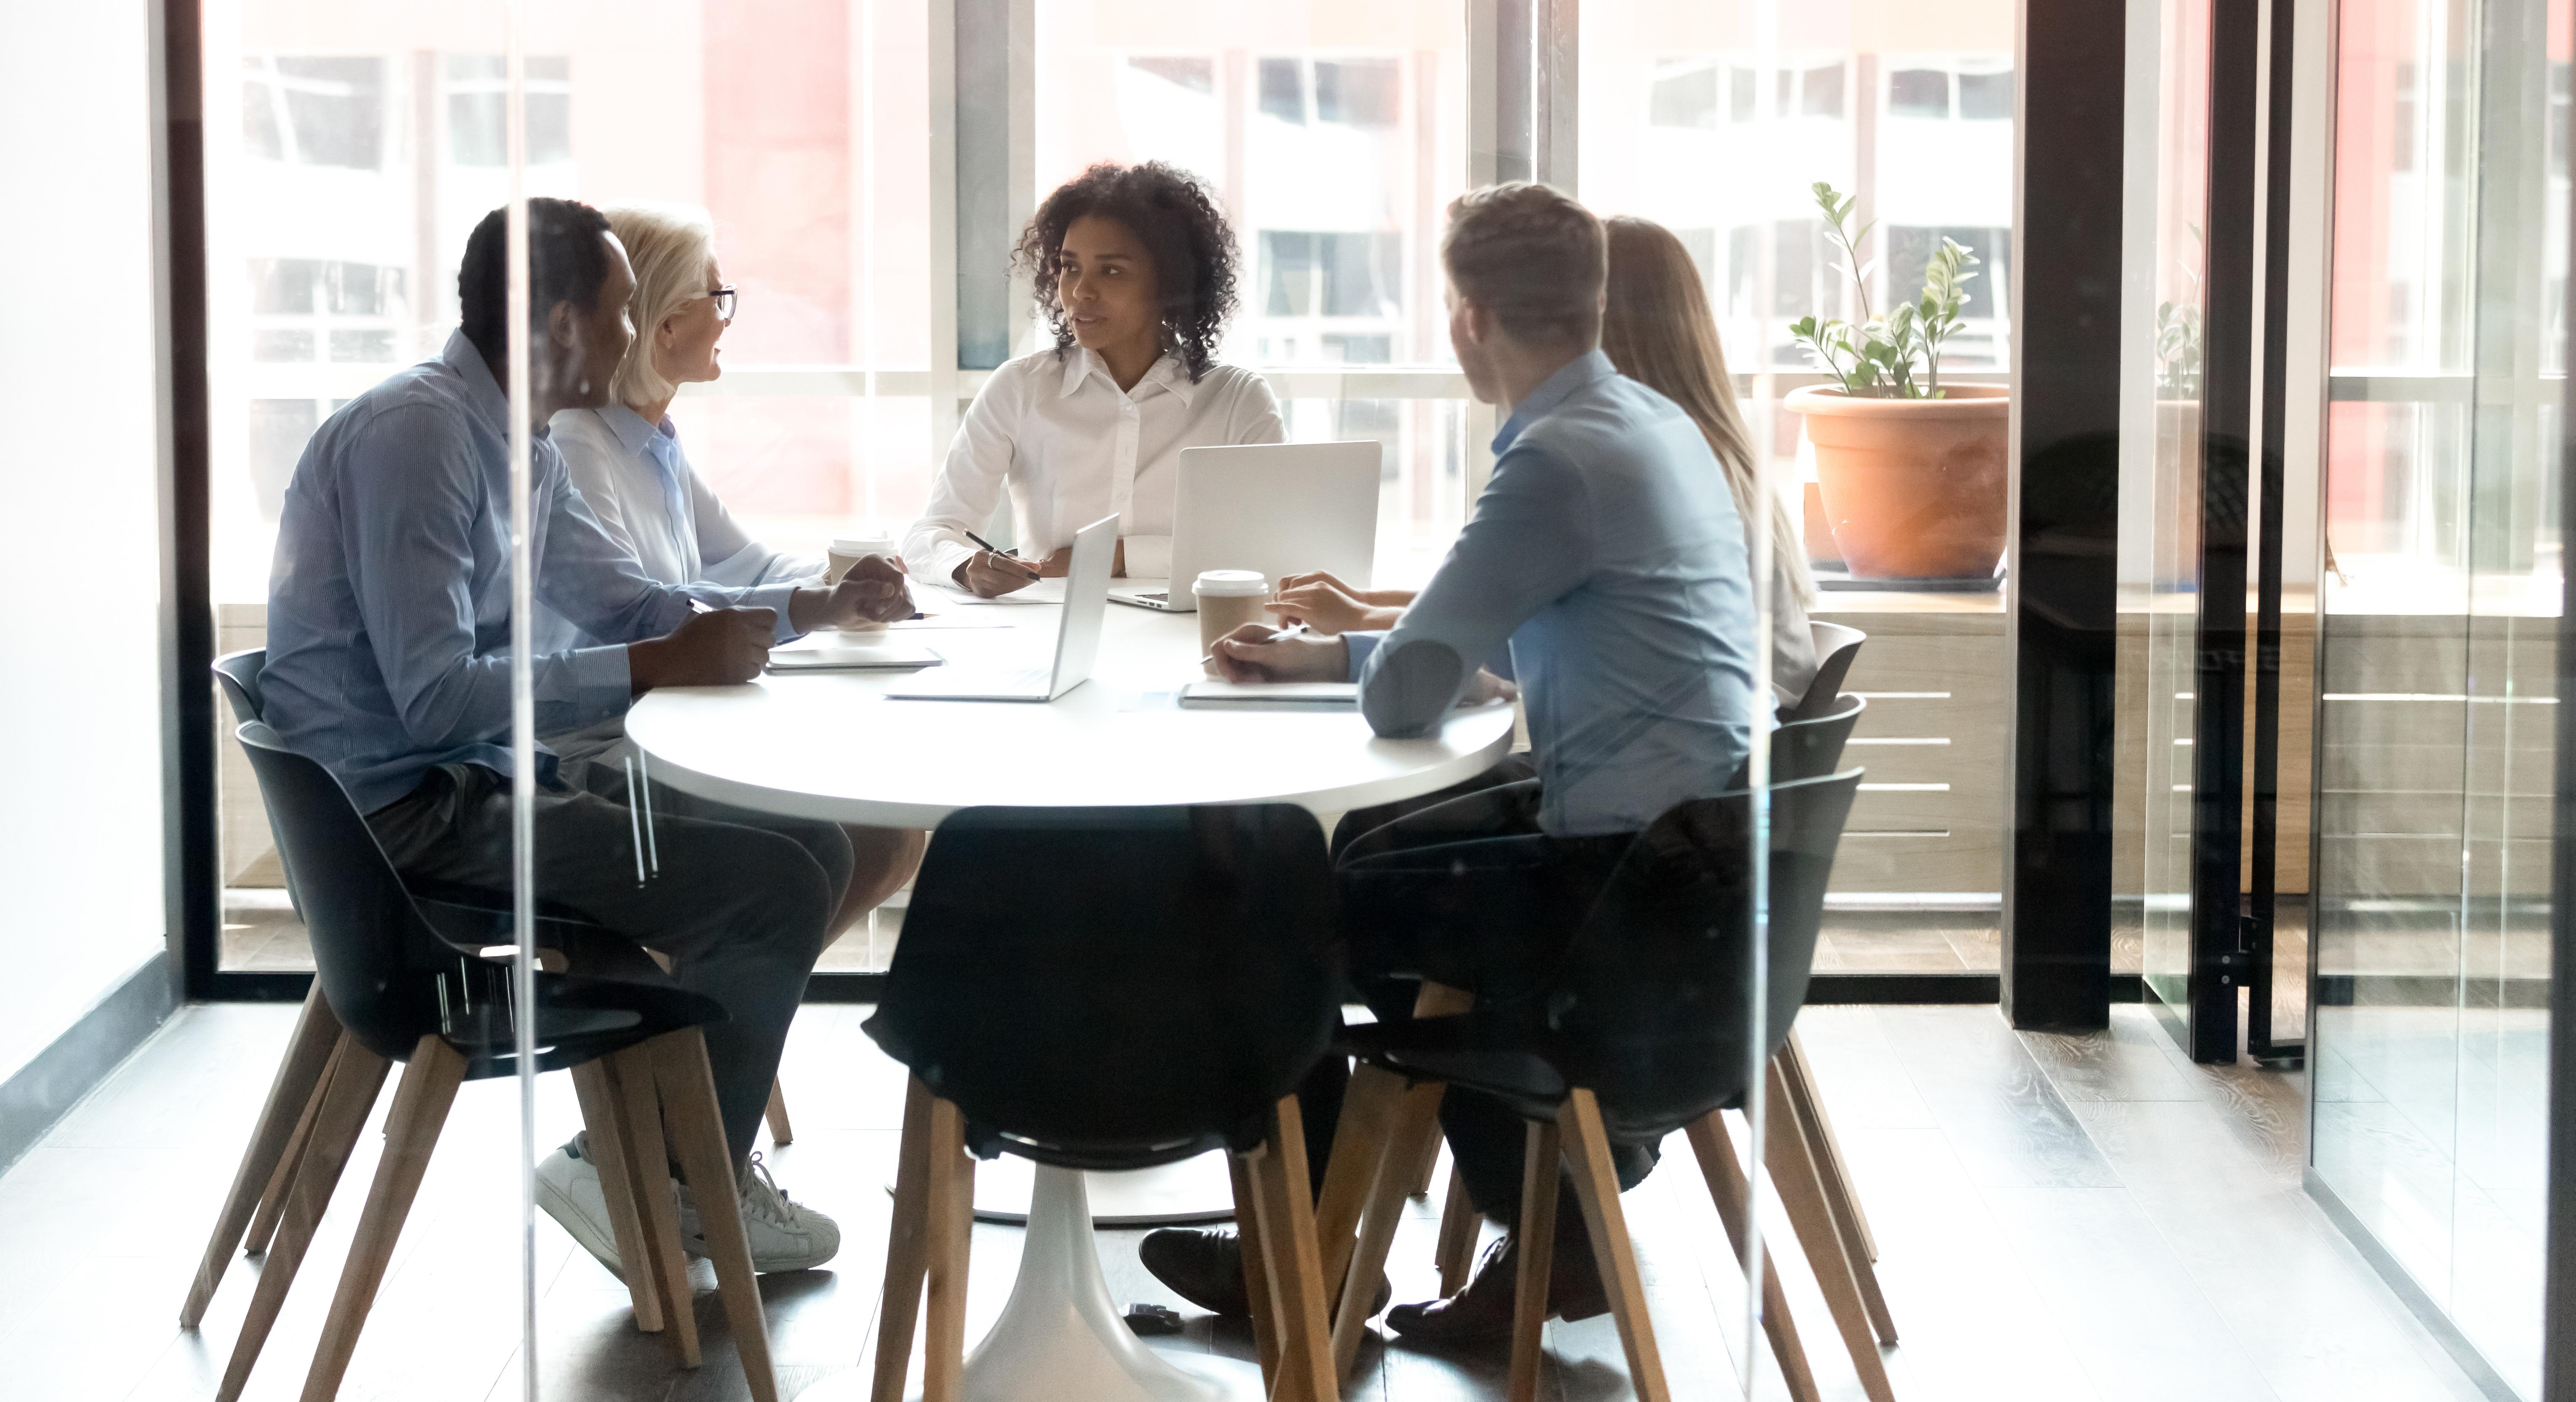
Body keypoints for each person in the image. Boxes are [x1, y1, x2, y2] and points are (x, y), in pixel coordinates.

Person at [1137, 183, 1759, 1344]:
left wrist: (1364, 659)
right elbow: (1518, 647)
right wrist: (1343, 651)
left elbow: (1408, 688)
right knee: (1376, 851)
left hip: (1624, 897)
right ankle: (1532, 1215)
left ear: (1467, 318)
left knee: (1285, 889)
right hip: (1700, 866)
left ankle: (1307, 1253)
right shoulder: (1646, 424)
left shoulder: (1555, 461)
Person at [262, 197, 912, 1276]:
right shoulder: (417, 435)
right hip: (401, 824)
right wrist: (651, 664)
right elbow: (433, 698)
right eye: (618, 314)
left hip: (473, 786)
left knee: (823, 849)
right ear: (559, 321)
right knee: (779, 884)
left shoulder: (518, 445)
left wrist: (813, 607)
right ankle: (672, 1182)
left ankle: (651, 1162)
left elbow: (629, 604)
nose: (629, 335)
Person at [536, 200, 924, 936]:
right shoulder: (577, 443)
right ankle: (709, 1020)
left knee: (892, 836)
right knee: (844, 838)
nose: (727, 316)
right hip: (599, 751)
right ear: (663, 323)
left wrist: (849, 578)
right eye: (716, 296)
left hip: (669, 722)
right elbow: (648, 606)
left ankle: (720, 1020)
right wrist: (815, 602)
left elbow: (746, 559)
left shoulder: (654, 441)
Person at [1267, 214, 1818, 706]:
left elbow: (1502, 636)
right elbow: (1530, 613)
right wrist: (1362, 609)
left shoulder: (1617, 466)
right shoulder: (1695, 449)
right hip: (1737, 774)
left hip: (1678, 799)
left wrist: (1352, 634)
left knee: (1384, 817)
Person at [902, 161, 1284, 595]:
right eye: (1070, 267)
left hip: (1190, 640)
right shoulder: (1021, 388)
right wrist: (967, 566)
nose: (1080, 292)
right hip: (1048, 636)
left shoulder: (1237, 401)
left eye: (1112, 270)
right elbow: (929, 535)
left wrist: (1117, 556)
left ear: (1170, 283)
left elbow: (1272, 550)